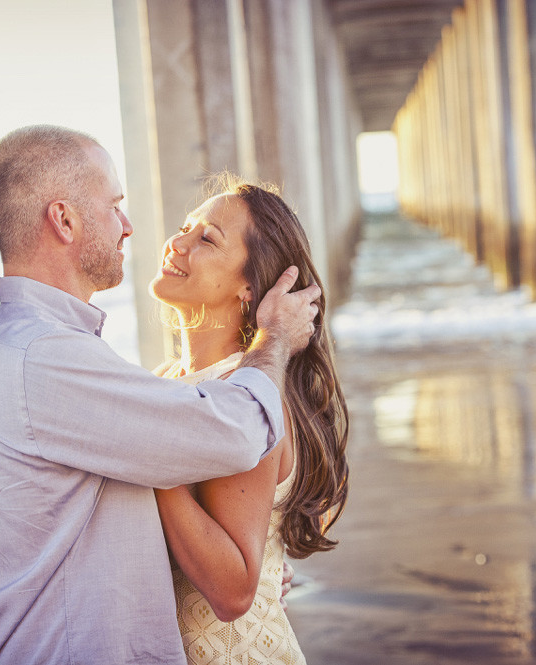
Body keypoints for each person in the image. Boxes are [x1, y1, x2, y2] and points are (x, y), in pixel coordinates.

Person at [0, 125, 321, 665]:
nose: (131, 227)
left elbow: (236, 580)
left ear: (249, 286)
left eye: (207, 237)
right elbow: (236, 431)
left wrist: (262, 563)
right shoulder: (52, 359)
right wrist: (276, 340)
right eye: (114, 206)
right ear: (64, 219)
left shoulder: (68, 360)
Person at [150, 178, 350, 664]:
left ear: (248, 286)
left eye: (207, 239)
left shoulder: (242, 399)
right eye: (184, 228)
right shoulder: (166, 380)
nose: (177, 243)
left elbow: (234, 590)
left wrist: (147, 462)